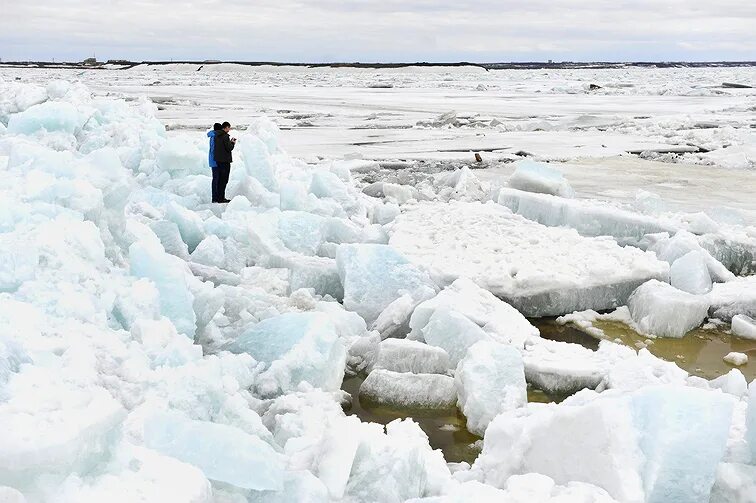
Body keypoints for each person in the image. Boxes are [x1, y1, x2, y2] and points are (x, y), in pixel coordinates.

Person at [213, 121, 236, 203]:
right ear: (226, 127)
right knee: (224, 180)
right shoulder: (225, 136)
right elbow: (229, 148)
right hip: (225, 161)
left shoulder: (216, 135)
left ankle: (219, 197)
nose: (229, 130)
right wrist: (232, 143)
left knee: (220, 180)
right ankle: (221, 198)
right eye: (229, 128)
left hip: (219, 160)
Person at [207, 123, 223, 202]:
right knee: (216, 179)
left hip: (213, 160)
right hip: (215, 161)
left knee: (216, 179)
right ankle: (214, 197)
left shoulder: (213, 135)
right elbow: (214, 150)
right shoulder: (214, 137)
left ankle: (215, 197)